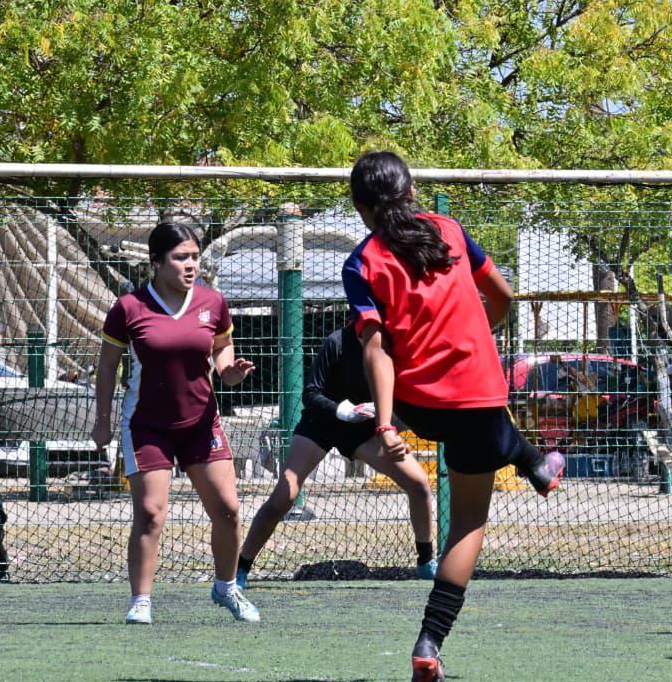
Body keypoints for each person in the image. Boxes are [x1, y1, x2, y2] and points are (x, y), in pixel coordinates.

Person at [343, 150, 566, 682]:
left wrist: (387, 424)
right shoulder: (449, 230)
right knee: (467, 523)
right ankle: (428, 643)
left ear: (359, 208)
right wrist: (479, 328)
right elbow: (503, 296)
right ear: (412, 189)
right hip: (478, 396)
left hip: (417, 400)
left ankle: (534, 461)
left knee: (349, 354)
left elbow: (376, 351)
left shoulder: (361, 261)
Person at [92, 221, 261, 625]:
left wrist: (230, 372)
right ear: (156, 261)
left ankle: (226, 588)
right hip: (147, 427)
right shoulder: (129, 309)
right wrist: (102, 421)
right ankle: (141, 601)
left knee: (228, 510)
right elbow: (107, 366)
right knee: (150, 513)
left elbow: (222, 351)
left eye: (195, 257)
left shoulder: (213, 302)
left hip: (200, 425)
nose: (191, 265)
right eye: (180, 257)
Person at [236, 323, 439, 587]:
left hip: (365, 431)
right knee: (284, 497)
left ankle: (426, 562)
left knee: (419, 483)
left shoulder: (398, 346)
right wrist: (341, 412)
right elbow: (310, 394)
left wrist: (393, 430)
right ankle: (240, 569)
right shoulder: (336, 343)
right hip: (321, 425)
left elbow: (407, 398)